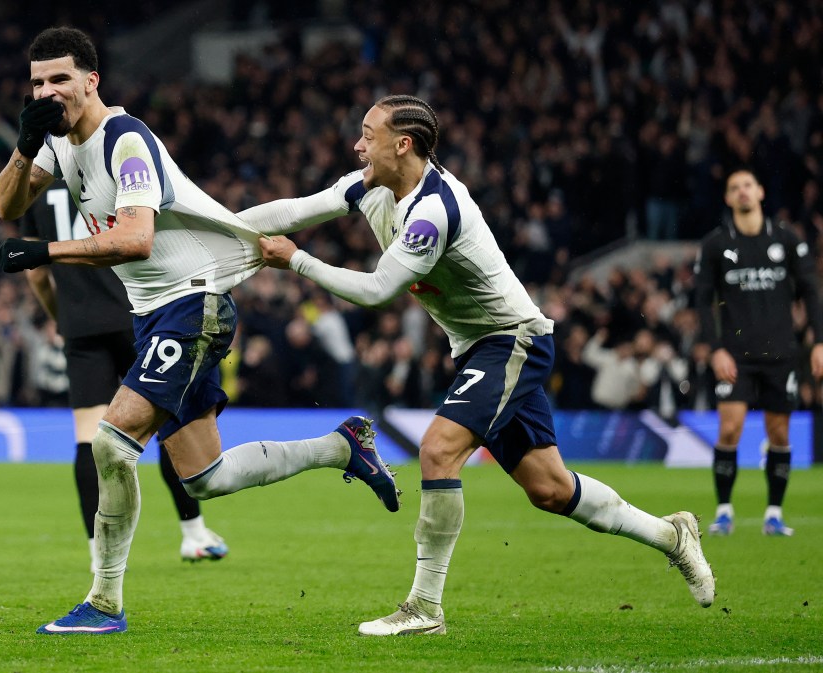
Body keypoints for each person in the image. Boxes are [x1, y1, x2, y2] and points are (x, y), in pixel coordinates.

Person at [244, 94, 715, 636]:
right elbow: (293, 211)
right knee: (551, 489)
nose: (357, 145)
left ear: (403, 145)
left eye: (368, 135)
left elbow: (376, 291)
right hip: (476, 347)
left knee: (437, 450)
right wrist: (211, 228)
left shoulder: (434, 211)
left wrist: (297, 261)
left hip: (511, 339)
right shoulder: (370, 186)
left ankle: (425, 608)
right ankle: (672, 535)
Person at [0, 26, 399, 635]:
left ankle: (103, 604)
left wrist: (46, 251)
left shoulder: (125, 141)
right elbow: (7, 205)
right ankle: (342, 447)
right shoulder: (56, 143)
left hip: (191, 304)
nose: (48, 93)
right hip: (153, 313)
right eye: (37, 83)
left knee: (110, 442)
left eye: (60, 80)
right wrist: (25, 146)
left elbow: (136, 239)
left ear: (91, 81)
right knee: (206, 477)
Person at [20, 178, 228, 566]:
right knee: (168, 424)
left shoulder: (39, 190)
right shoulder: (115, 173)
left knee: (88, 437)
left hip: (81, 327)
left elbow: (35, 273)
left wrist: (63, 319)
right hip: (137, 316)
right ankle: (194, 533)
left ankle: (98, 554)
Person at [694, 168, 823, 537]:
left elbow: (811, 291)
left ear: (761, 192)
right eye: (734, 187)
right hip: (736, 356)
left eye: (748, 185)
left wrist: (819, 341)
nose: (742, 192)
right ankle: (723, 512)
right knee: (729, 428)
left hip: (781, 353)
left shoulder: (786, 238)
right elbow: (703, 301)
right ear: (727, 198)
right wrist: (716, 349)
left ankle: (774, 514)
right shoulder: (716, 244)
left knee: (779, 432)